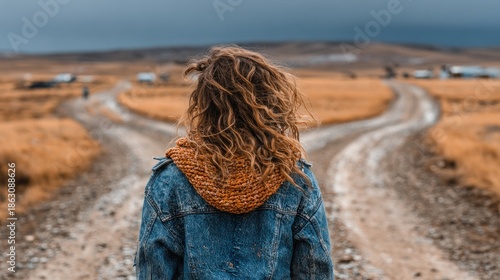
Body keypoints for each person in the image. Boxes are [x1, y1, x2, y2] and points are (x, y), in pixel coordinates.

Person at [134, 46, 334, 279]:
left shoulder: (170, 179)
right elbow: (315, 267)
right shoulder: (295, 177)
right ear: (270, 104)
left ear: (205, 105)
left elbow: (152, 269)